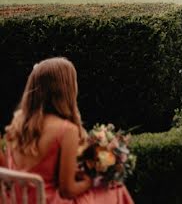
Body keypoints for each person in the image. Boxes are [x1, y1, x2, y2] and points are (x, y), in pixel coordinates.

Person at [2, 57, 134, 204]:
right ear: (65, 89)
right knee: (115, 189)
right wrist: (91, 181)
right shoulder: (66, 130)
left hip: (18, 200)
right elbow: (67, 190)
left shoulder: (17, 125)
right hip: (49, 200)